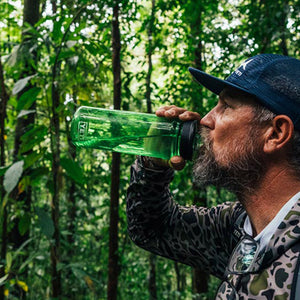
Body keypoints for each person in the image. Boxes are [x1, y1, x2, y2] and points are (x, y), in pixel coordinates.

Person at [126, 53, 300, 299]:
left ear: (275, 133)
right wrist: (153, 165)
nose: (206, 119)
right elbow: (153, 228)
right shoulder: (238, 225)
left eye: (226, 106)